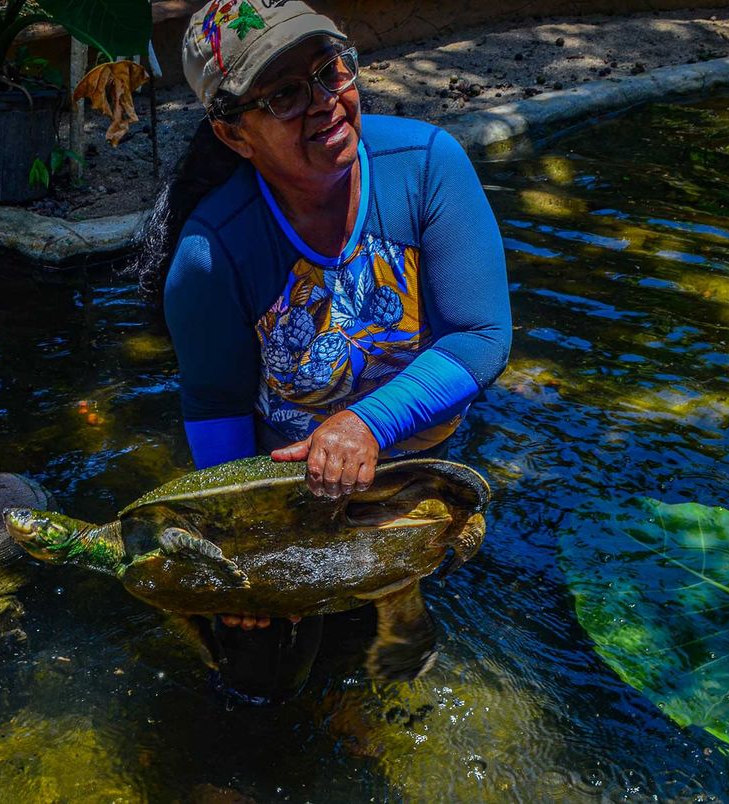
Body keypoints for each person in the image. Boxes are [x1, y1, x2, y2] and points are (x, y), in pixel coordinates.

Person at [131, 0, 511, 700]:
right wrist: (240, 544)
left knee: (399, 671)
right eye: (284, 94)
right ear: (233, 133)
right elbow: (215, 404)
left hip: (415, 472)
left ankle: (401, 607)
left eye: (329, 72)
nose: (325, 103)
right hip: (292, 496)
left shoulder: (427, 166)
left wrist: (366, 423)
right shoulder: (212, 256)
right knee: (256, 681)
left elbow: (480, 335)